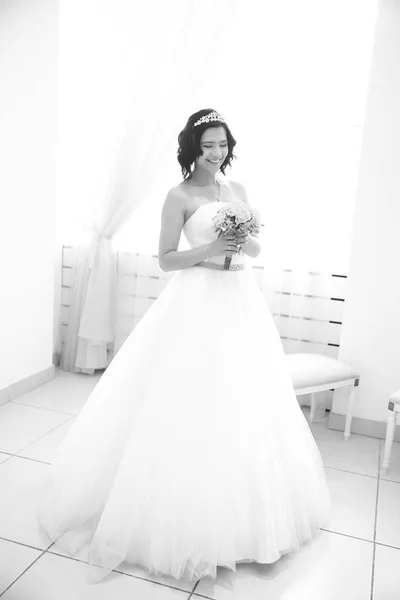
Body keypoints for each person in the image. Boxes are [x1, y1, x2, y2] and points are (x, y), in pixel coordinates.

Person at [38, 108, 330, 585]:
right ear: (191, 148)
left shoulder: (238, 192)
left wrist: (242, 239)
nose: (217, 153)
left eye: (222, 144)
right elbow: (167, 260)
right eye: (208, 145)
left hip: (240, 302)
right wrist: (210, 250)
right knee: (184, 398)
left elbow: (253, 251)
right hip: (193, 303)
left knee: (243, 401)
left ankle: (243, 522)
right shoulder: (178, 196)